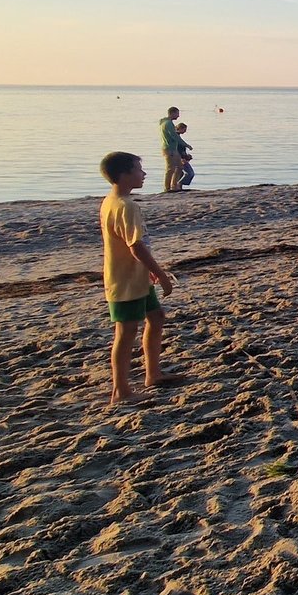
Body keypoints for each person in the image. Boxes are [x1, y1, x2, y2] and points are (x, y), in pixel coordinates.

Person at [99, 151, 177, 406]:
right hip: (125, 280)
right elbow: (136, 247)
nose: (143, 174)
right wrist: (162, 274)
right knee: (126, 331)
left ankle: (153, 374)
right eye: (138, 170)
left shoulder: (115, 201)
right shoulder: (124, 206)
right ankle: (121, 391)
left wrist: (149, 270)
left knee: (156, 317)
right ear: (124, 175)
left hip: (138, 276)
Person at [159, 106, 186, 193]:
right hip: (169, 149)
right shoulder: (168, 124)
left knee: (180, 166)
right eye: (177, 113)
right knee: (170, 169)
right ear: (172, 113)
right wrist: (186, 144)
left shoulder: (167, 122)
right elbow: (174, 136)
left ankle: (173, 186)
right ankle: (167, 188)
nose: (178, 116)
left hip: (173, 149)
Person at [173, 123, 196, 189]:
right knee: (190, 173)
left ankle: (179, 187)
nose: (185, 131)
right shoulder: (176, 138)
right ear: (180, 129)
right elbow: (177, 149)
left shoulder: (177, 137)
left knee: (180, 174)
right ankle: (178, 184)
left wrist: (186, 156)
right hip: (180, 158)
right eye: (184, 130)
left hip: (181, 158)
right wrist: (181, 158)